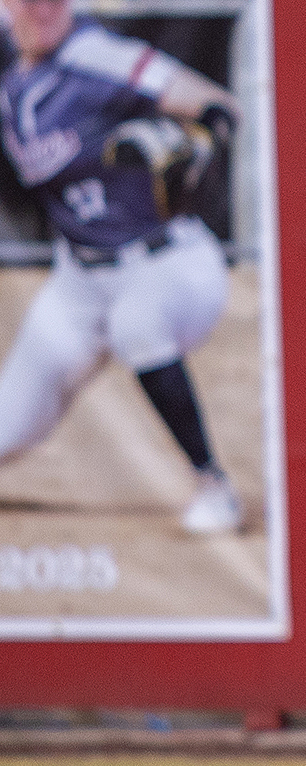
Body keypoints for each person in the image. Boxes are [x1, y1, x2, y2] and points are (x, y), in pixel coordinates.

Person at [0, 0, 242, 533]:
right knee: (8, 431)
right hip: (80, 281)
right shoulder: (9, 64)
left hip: (168, 264)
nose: (43, 9)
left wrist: (194, 142)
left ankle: (214, 486)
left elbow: (219, 107)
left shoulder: (96, 54)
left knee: (138, 324)